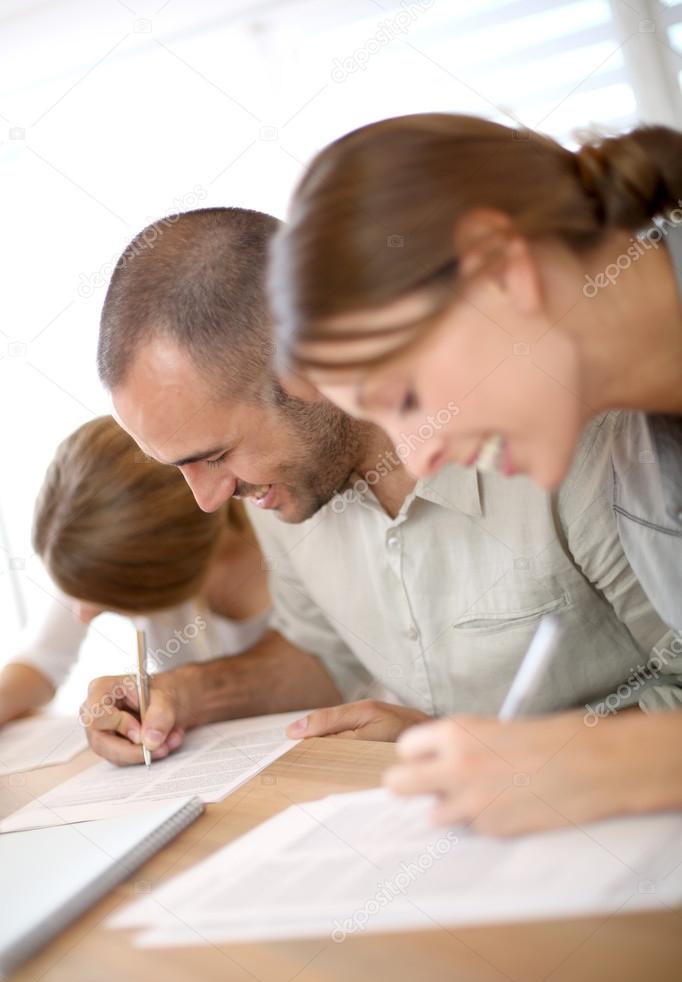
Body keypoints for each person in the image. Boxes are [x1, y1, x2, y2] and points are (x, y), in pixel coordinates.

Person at [85, 206, 682, 835]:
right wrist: (183, 695)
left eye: (215, 456)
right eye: (180, 466)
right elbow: (321, 652)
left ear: (307, 371)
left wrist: (494, 757)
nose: (207, 498)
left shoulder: (571, 440)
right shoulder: (274, 485)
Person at [266, 113, 682, 826]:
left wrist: (606, 763)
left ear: (501, 268)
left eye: (404, 396)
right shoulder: (638, 454)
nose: (420, 455)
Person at [0, 415, 270, 750]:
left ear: (162, 566)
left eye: (105, 599)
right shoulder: (104, 548)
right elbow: (40, 661)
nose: (83, 615)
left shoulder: (281, 549)